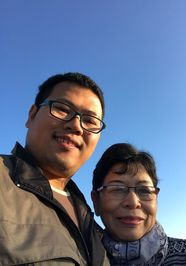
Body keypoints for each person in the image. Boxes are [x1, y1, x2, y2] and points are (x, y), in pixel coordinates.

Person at [0, 72, 110, 266]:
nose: (76, 126)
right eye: (61, 109)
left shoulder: (94, 226)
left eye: (90, 121)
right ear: (32, 115)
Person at [91, 143, 186, 265]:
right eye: (118, 189)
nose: (133, 202)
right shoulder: (81, 258)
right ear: (96, 201)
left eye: (144, 190)